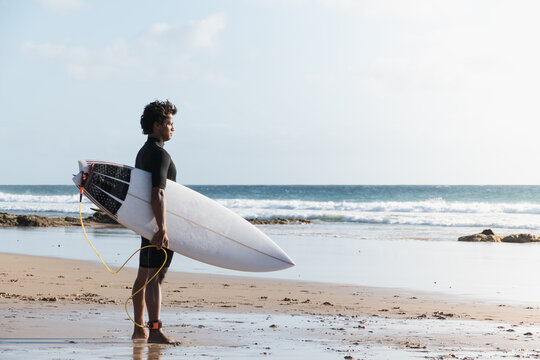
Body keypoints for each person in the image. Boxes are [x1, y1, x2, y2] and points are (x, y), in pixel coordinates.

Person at [131, 100, 179, 344]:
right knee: (155, 277)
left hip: (145, 223)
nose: (173, 128)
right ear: (157, 124)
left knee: (143, 276)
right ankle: (156, 331)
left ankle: (140, 329)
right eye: (170, 123)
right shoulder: (160, 154)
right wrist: (162, 228)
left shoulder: (143, 152)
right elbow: (157, 193)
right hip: (156, 225)